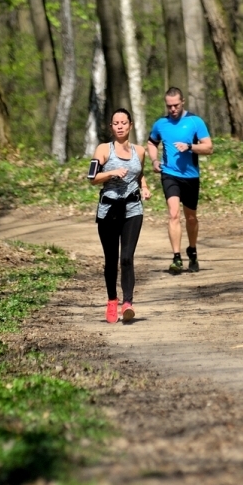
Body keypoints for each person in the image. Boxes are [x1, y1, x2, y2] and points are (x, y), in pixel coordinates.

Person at [88, 107, 150, 323]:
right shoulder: (104, 150)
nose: (120, 126)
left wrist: (144, 186)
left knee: (126, 258)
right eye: (116, 123)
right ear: (111, 127)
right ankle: (112, 300)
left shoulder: (139, 151)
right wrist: (111, 172)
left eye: (124, 123)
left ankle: (128, 303)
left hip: (133, 209)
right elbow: (92, 177)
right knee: (111, 259)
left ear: (130, 125)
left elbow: (139, 173)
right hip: (108, 210)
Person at [147, 87, 213, 274]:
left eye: (175, 105)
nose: (172, 109)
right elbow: (152, 142)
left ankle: (192, 250)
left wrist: (190, 146)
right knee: (173, 214)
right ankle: (176, 258)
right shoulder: (161, 124)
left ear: (182, 102)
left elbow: (208, 147)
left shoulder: (195, 121)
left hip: (191, 177)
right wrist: (154, 160)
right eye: (169, 106)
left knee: (191, 218)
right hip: (169, 174)